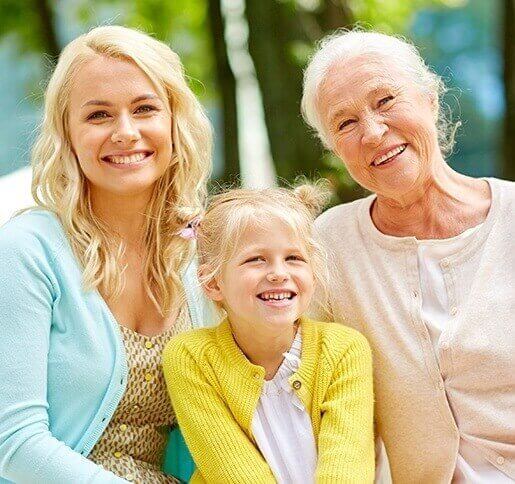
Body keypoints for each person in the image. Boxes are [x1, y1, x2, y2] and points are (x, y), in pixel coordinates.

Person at [0, 25, 216, 483]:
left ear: (174, 121)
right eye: (99, 115)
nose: (126, 132)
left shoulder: (200, 253)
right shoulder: (28, 249)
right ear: (67, 133)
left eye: (145, 109)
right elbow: (13, 443)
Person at [301, 29, 515, 483]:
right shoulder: (330, 242)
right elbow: (302, 384)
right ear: (334, 148)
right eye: (345, 123)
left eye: (385, 101)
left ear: (431, 100)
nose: (374, 132)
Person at [162, 185, 375, 483]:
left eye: (293, 258)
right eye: (255, 259)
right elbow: (232, 470)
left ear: (312, 274)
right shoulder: (191, 357)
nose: (278, 273)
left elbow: (347, 465)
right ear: (212, 283)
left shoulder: (344, 350)